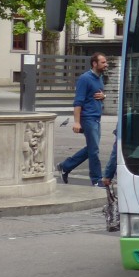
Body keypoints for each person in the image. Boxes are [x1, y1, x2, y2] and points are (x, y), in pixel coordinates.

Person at [58, 53, 109, 185]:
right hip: (88, 118)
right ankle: (97, 180)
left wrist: (104, 96)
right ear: (94, 63)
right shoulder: (84, 79)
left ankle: (65, 166)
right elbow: (78, 102)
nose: (106, 64)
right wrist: (76, 122)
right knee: (94, 150)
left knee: (92, 148)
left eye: (106, 62)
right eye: (103, 62)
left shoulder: (99, 77)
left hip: (96, 118)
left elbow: (98, 94)